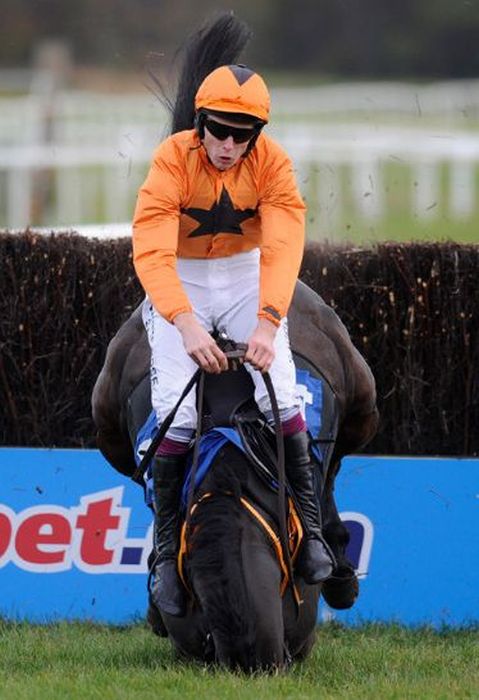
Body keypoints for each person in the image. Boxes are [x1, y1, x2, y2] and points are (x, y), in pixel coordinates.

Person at [132, 64, 334, 617]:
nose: (227, 145)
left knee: (283, 395)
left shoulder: (273, 163)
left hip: (246, 274)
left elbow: (283, 246)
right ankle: (165, 556)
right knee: (176, 414)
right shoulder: (172, 158)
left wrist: (267, 323)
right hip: (182, 275)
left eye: (241, 136)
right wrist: (184, 321)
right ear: (200, 124)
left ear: (256, 135)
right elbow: (151, 249)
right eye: (218, 131)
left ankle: (312, 531)